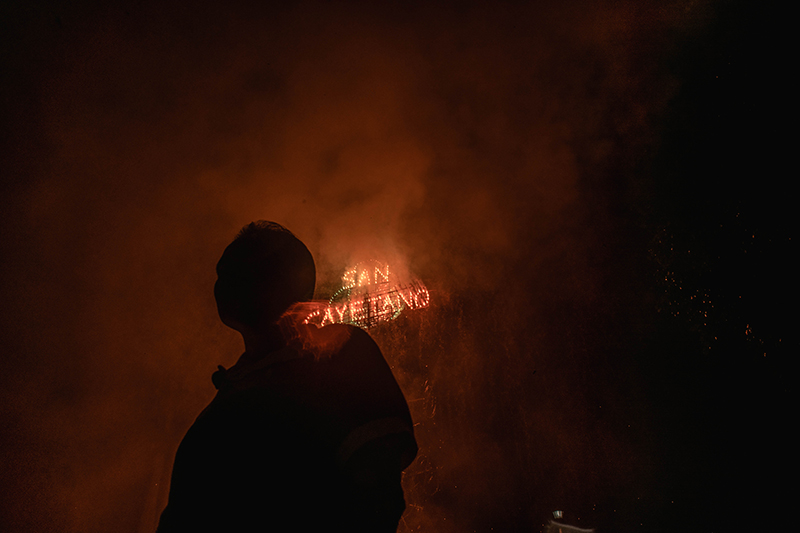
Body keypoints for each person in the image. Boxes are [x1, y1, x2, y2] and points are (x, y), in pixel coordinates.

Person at [157, 221, 417, 532]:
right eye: (222, 273)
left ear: (288, 284)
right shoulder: (229, 394)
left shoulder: (339, 353)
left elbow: (377, 489)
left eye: (243, 270)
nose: (223, 284)